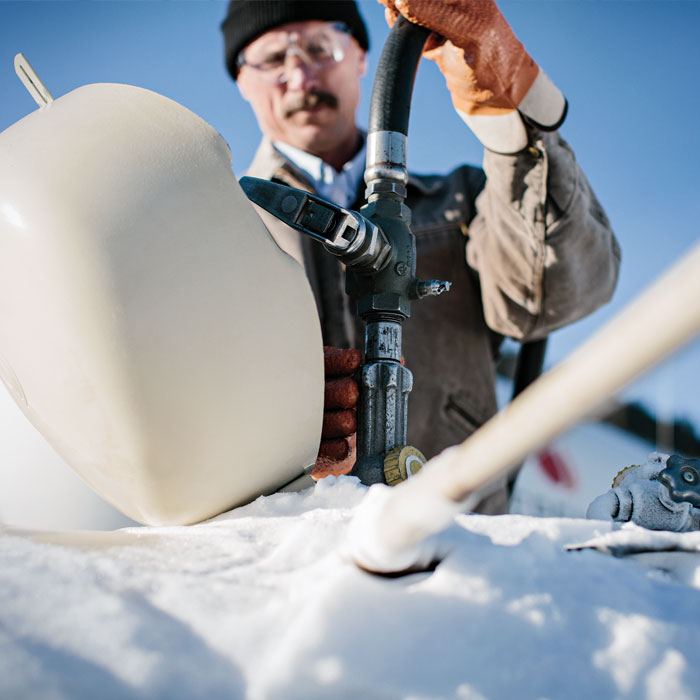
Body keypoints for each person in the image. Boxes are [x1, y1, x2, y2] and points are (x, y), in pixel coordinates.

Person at [221, 0, 620, 513]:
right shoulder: (220, 228)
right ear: (241, 80)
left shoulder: (464, 201)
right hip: (283, 563)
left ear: (361, 57)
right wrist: (262, 422)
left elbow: (559, 295)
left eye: (320, 48)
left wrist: (510, 119)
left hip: (457, 547)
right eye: (272, 59)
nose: (298, 75)